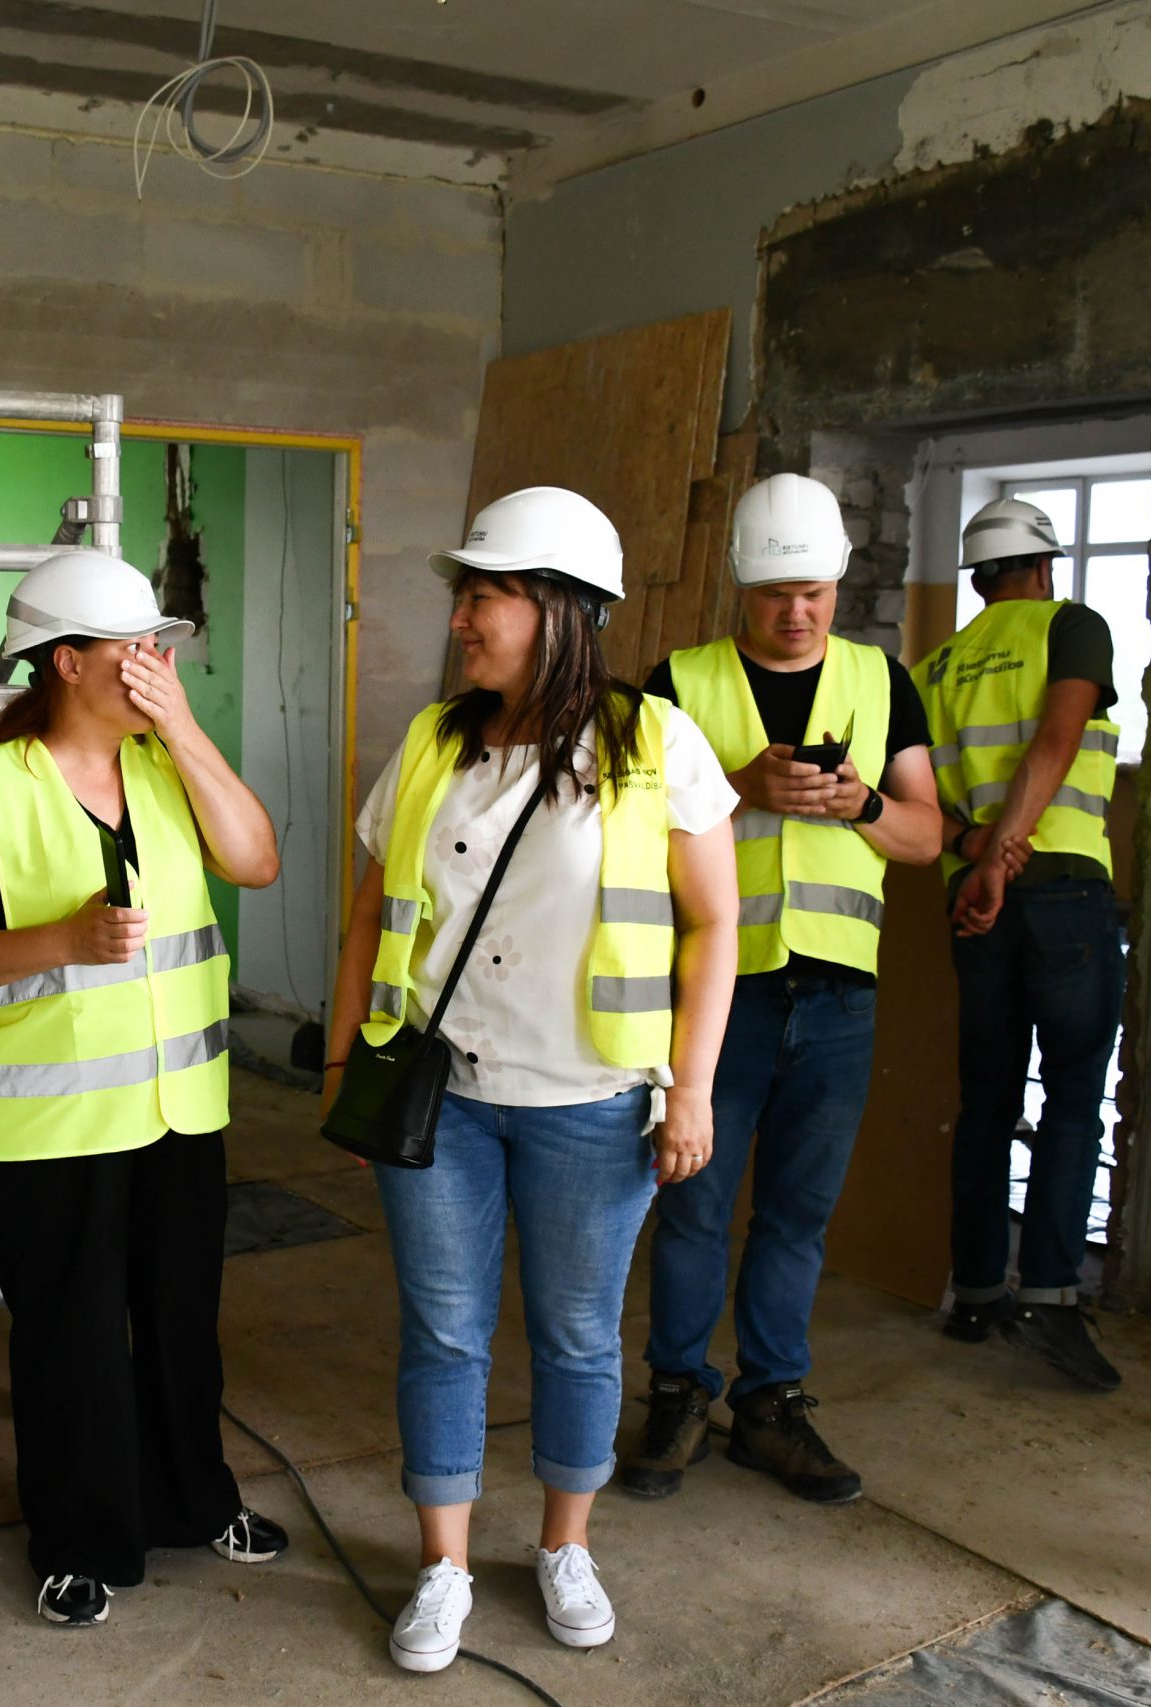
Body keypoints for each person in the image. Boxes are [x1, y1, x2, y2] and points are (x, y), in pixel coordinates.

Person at [324, 487, 741, 1674]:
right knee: (443, 1334)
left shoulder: (655, 743)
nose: (462, 617)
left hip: (593, 1105)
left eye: (488, 594)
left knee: (576, 1336)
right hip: (440, 1102)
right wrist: (346, 1060)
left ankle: (565, 1546)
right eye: (463, 594)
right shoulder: (432, 742)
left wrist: (691, 1087)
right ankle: (443, 1567)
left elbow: (714, 925)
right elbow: (369, 915)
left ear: (563, 610)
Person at [0, 548, 287, 1629]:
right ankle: (79, 1539)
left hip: (179, 1110)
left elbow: (255, 860)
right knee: (70, 1337)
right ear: (66, 662)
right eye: (132, 649)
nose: (152, 665)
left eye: (157, 648)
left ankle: (194, 1501)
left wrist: (187, 731)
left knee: (181, 1322)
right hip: (53, 1122)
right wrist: (59, 941)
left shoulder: (169, 769)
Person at [621, 473, 942, 1507]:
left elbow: (926, 835)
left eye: (813, 592)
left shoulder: (882, 680)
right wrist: (737, 788)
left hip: (838, 1000)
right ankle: (678, 1394)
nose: (796, 611)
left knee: (798, 1215)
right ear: (739, 586)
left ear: (836, 583)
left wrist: (861, 805)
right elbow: (623, 833)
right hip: (719, 997)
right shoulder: (678, 682)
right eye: (774, 594)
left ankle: (769, 1403)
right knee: (694, 1205)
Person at [913, 496, 1125, 1391]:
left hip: (973, 904)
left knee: (989, 1099)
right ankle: (1048, 1295)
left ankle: (975, 1294)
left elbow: (922, 804)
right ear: (1042, 567)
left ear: (979, 579)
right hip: (1062, 887)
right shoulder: (1072, 627)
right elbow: (1058, 740)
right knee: (1073, 1095)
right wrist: (1008, 856)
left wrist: (980, 861)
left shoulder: (932, 669)